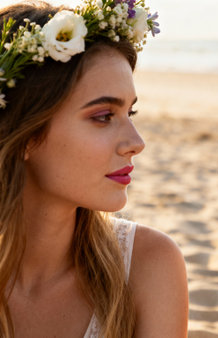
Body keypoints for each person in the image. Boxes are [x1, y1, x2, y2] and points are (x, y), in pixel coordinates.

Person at [0, 1, 188, 337]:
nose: (136, 142)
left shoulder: (147, 265)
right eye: (103, 117)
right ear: (26, 132)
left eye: (130, 114)